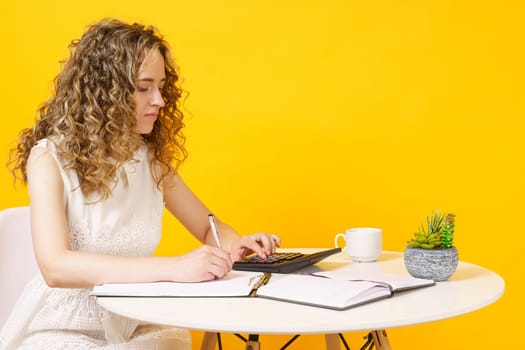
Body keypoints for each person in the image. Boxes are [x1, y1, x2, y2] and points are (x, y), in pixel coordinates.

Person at [0, 18, 280, 349]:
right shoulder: (48, 159)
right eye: (144, 87)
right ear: (105, 93)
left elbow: (209, 229)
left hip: (135, 324)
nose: (160, 100)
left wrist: (236, 245)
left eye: (161, 86)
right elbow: (56, 267)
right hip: (65, 330)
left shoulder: (151, 161)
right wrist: (175, 267)